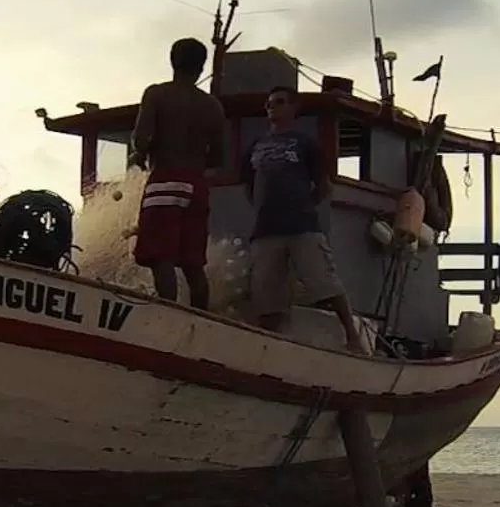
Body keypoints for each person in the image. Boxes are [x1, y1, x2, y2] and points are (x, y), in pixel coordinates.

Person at [240, 85, 367, 353]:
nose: (272, 107)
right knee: (266, 296)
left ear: (294, 108)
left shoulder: (305, 142)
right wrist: (263, 207)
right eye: (269, 103)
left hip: (302, 226)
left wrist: (303, 205)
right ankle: (267, 349)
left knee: (326, 282)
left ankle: (353, 337)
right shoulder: (255, 145)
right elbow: (248, 184)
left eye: (279, 102)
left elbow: (323, 184)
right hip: (265, 230)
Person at [129, 37, 228, 309]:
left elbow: (141, 140)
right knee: (193, 263)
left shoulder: (157, 94)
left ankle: (167, 316)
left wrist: (140, 152)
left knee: (162, 257)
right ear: (201, 66)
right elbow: (218, 158)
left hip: (165, 179)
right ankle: (200, 321)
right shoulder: (213, 106)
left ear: (172, 61)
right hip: (196, 183)